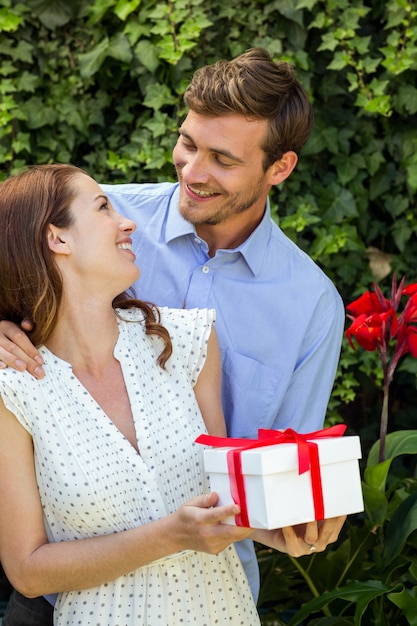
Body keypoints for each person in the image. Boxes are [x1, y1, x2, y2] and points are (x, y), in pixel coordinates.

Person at [0, 47, 346, 619]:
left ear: (279, 168)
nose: (191, 171)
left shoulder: (311, 308)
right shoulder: (105, 223)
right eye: (188, 143)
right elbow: (17, 254)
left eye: (222, 159)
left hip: (213, 589)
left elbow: (273, 478)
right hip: (67, 596)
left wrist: (298, 522)